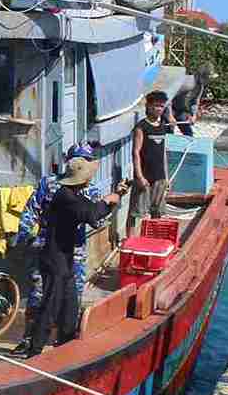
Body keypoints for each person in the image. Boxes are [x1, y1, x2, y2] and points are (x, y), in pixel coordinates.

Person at [20, 156, 128, 357]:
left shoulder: (73, 194)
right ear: (82, 179)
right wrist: (108, 200)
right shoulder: (65, 197)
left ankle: (66, 345)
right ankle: (34, 352)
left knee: (70, 303)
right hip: (54, 259)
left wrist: (115, 197)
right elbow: (90, 214)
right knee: (51, 305)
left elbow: (92, 211)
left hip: (65, 258)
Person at [16, 140, 105, 349]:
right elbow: (31, 209)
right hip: (48, 246)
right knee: (40, 293)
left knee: (72, 295)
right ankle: (30, 340)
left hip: (74, 249)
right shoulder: (48, 183)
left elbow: (97, 220)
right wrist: (25, 236)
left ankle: (63, 341)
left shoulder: (90, 190)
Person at [132, 91, 175, 223]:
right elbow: (136, 152)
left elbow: (163, 153)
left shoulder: (162, 125)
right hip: (145, 176)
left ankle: (153, 239)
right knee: (136, 212)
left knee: (158, 212)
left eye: (162, 106)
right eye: (156, 106)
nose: (159, 109)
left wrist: (166, 177)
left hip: (160, 177)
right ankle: (130, 239)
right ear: (149, 106)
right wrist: (139, 176)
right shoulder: (141, 127)